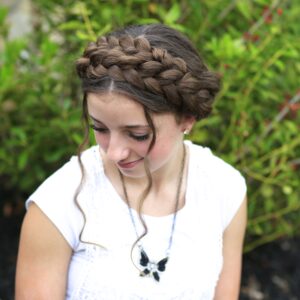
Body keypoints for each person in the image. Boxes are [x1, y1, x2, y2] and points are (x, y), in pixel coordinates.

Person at [15, 23, 247, 299]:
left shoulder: (224, 188)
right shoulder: (59, 205)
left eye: (137, 135)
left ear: (187, 118)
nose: (114, 153)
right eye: (99, 129)